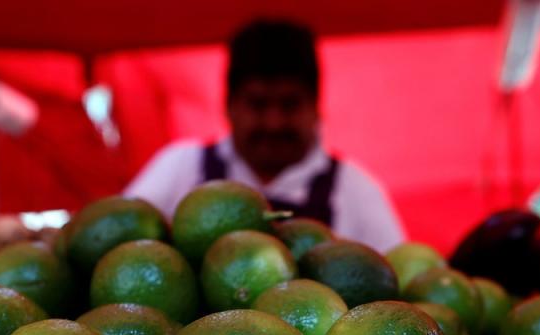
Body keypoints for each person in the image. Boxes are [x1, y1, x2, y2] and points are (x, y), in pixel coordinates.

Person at [124, 19, 405, 252]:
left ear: (316, 107)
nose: (273, 123)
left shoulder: (356, 190)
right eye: (258, 104)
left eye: (289, 104)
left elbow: (398, 284)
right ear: (229, 106)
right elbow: (120, 244)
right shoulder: (182, 165)